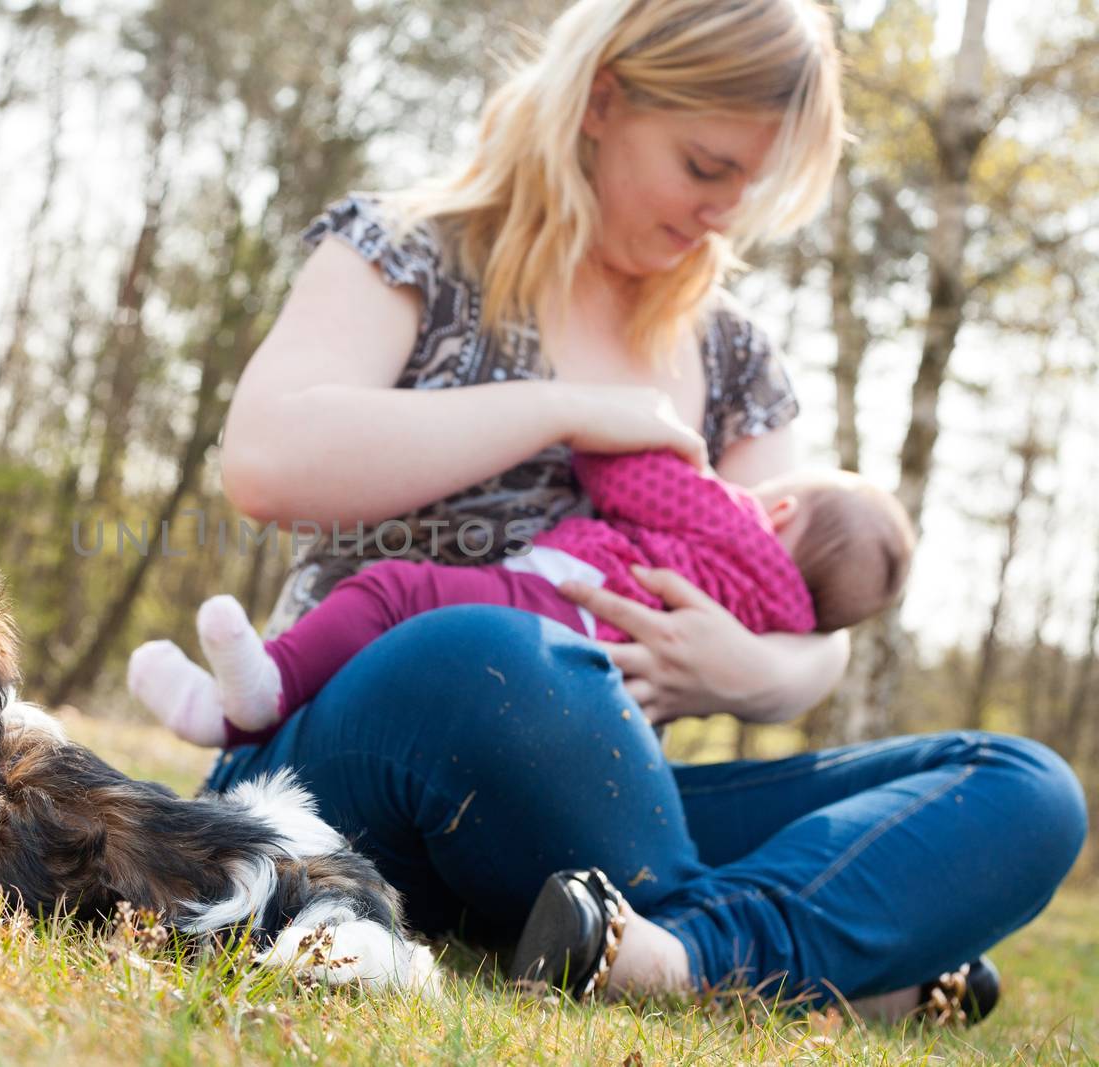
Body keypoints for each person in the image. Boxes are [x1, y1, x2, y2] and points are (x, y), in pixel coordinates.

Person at [192, 0, 1086, 1021]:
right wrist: (567, 407)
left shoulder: (733, 357)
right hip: (349, 753)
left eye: (752, 184)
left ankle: (675, 951)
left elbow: (805, 629)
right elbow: (265, 461)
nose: (725, 211)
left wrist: (749, 672)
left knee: (1020, 782)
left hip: (592, 807)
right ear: (602, 99)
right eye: (706, 167)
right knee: (492, 655)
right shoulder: (405, 249)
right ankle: (819, 957)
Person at [131, 452, 916, 748]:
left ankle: (253, 696)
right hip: (596, 701)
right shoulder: (780, 618)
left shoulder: (736, 520)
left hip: (555, 602)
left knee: (392, 589)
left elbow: (628, 477)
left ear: (777, 512)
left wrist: (618, 428)